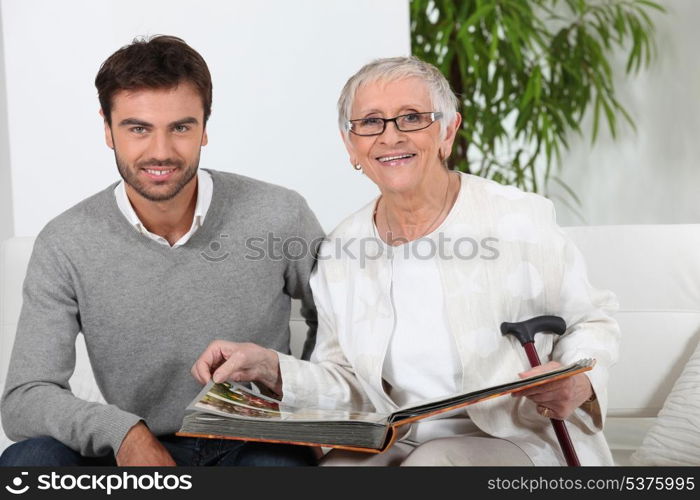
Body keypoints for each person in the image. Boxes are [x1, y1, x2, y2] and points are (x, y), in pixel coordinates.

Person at [191, 57, 620, 466]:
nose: (390, 136)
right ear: (351, 145)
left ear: (447, 132)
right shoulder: (344, 247)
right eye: (371, 122)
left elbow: (590, 322)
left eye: (412, 117)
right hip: (401, 437)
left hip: (520, 436)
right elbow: (346, 382)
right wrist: (270, 367)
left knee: (435, 464)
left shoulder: (518, 218)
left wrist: (579, 383)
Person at [0, 35, 323, 466]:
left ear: (205, 128)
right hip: (139, 448)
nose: (161, 152)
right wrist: (124, 434)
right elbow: (25, 398)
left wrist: (303, 402)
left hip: (258, 445)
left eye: (181, 127)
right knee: (29, 462)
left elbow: (343, 322)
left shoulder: (280, 213)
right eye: (138, 128)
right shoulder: (66, 242)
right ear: (107, 129)